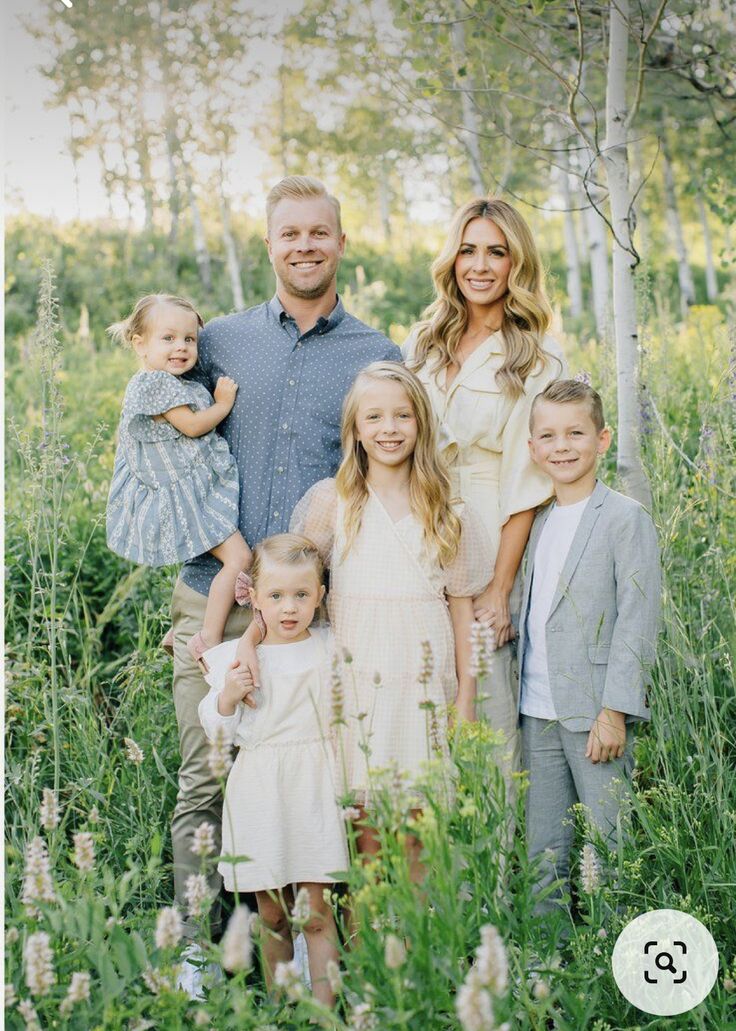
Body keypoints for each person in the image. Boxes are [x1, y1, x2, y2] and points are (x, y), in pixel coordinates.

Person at [170, 176, 401, 964]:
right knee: (206, 777)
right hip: (216, 597)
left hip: (319, 610)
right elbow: (172, 455)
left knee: (323, 778)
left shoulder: (375, 353)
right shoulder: (221, 342)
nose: (304, 245)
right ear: (268, 244)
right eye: (289, 233)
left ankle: (318, 959)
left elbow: (383, 476)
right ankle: (200, 957)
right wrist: (216, 545)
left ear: (341, 242)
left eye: (319, 232)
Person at [255, 362, 491, 879]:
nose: (389, 429)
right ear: (356, 429)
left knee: (418, 833)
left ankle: (417, 949)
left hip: (422, 685)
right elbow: (289, 585)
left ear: (421, 424)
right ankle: (369, 953)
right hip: (355, 685)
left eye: (403, 416)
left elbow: (463, 606)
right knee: (361, 834)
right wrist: (250, 643)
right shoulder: (333, 501)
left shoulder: (446, 507)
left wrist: (466, 696)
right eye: (375, 417)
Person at [402, 197, 566, 790]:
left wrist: (499, 587)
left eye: (496, 252)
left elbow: (530, 484)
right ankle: (428, 863)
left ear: (516, 264)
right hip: (419, 531)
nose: (479, 264)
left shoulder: (536, 360)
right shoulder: (424, 343)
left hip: (492, 536)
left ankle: (494, 875)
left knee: (487, 710)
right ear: (451, 258)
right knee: (423, 695)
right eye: (468, 249)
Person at [519, 379, 660, 913]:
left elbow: (637, 621)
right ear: (533, 449)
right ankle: (547, 972)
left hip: (594, 713)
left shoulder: (624, 518)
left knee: (610, 846)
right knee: (544, 854)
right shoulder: (536, 521)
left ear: (601, 440)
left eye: (575, 433)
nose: (562, 446)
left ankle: (617, 963)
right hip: (537, 714)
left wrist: (615, 710)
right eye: (549, 436)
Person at [198, 534, 347, 1007]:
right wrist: (226, 697)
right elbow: (219, 738)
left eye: (302, 595)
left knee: (318, 913)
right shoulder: (236, 660)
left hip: (315, 790)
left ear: (320, 595)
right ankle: (282, 1006)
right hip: (261, 793)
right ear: (254, 597)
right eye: (277, 596)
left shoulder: (330, 648)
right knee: (274, 913)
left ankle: (324, 1012)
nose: (289, 607)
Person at [106, 294, 252, 664]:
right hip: (188, 498)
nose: (181, 347)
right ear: (140, 344)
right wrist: (222, 404)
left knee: (223, 557)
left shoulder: (168, 381)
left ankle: (181, 628)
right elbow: (191, 426)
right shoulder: (157, 384)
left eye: (189, 339)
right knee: (239, 557)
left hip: (189, 492)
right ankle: (207, 637)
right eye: (168, 339)